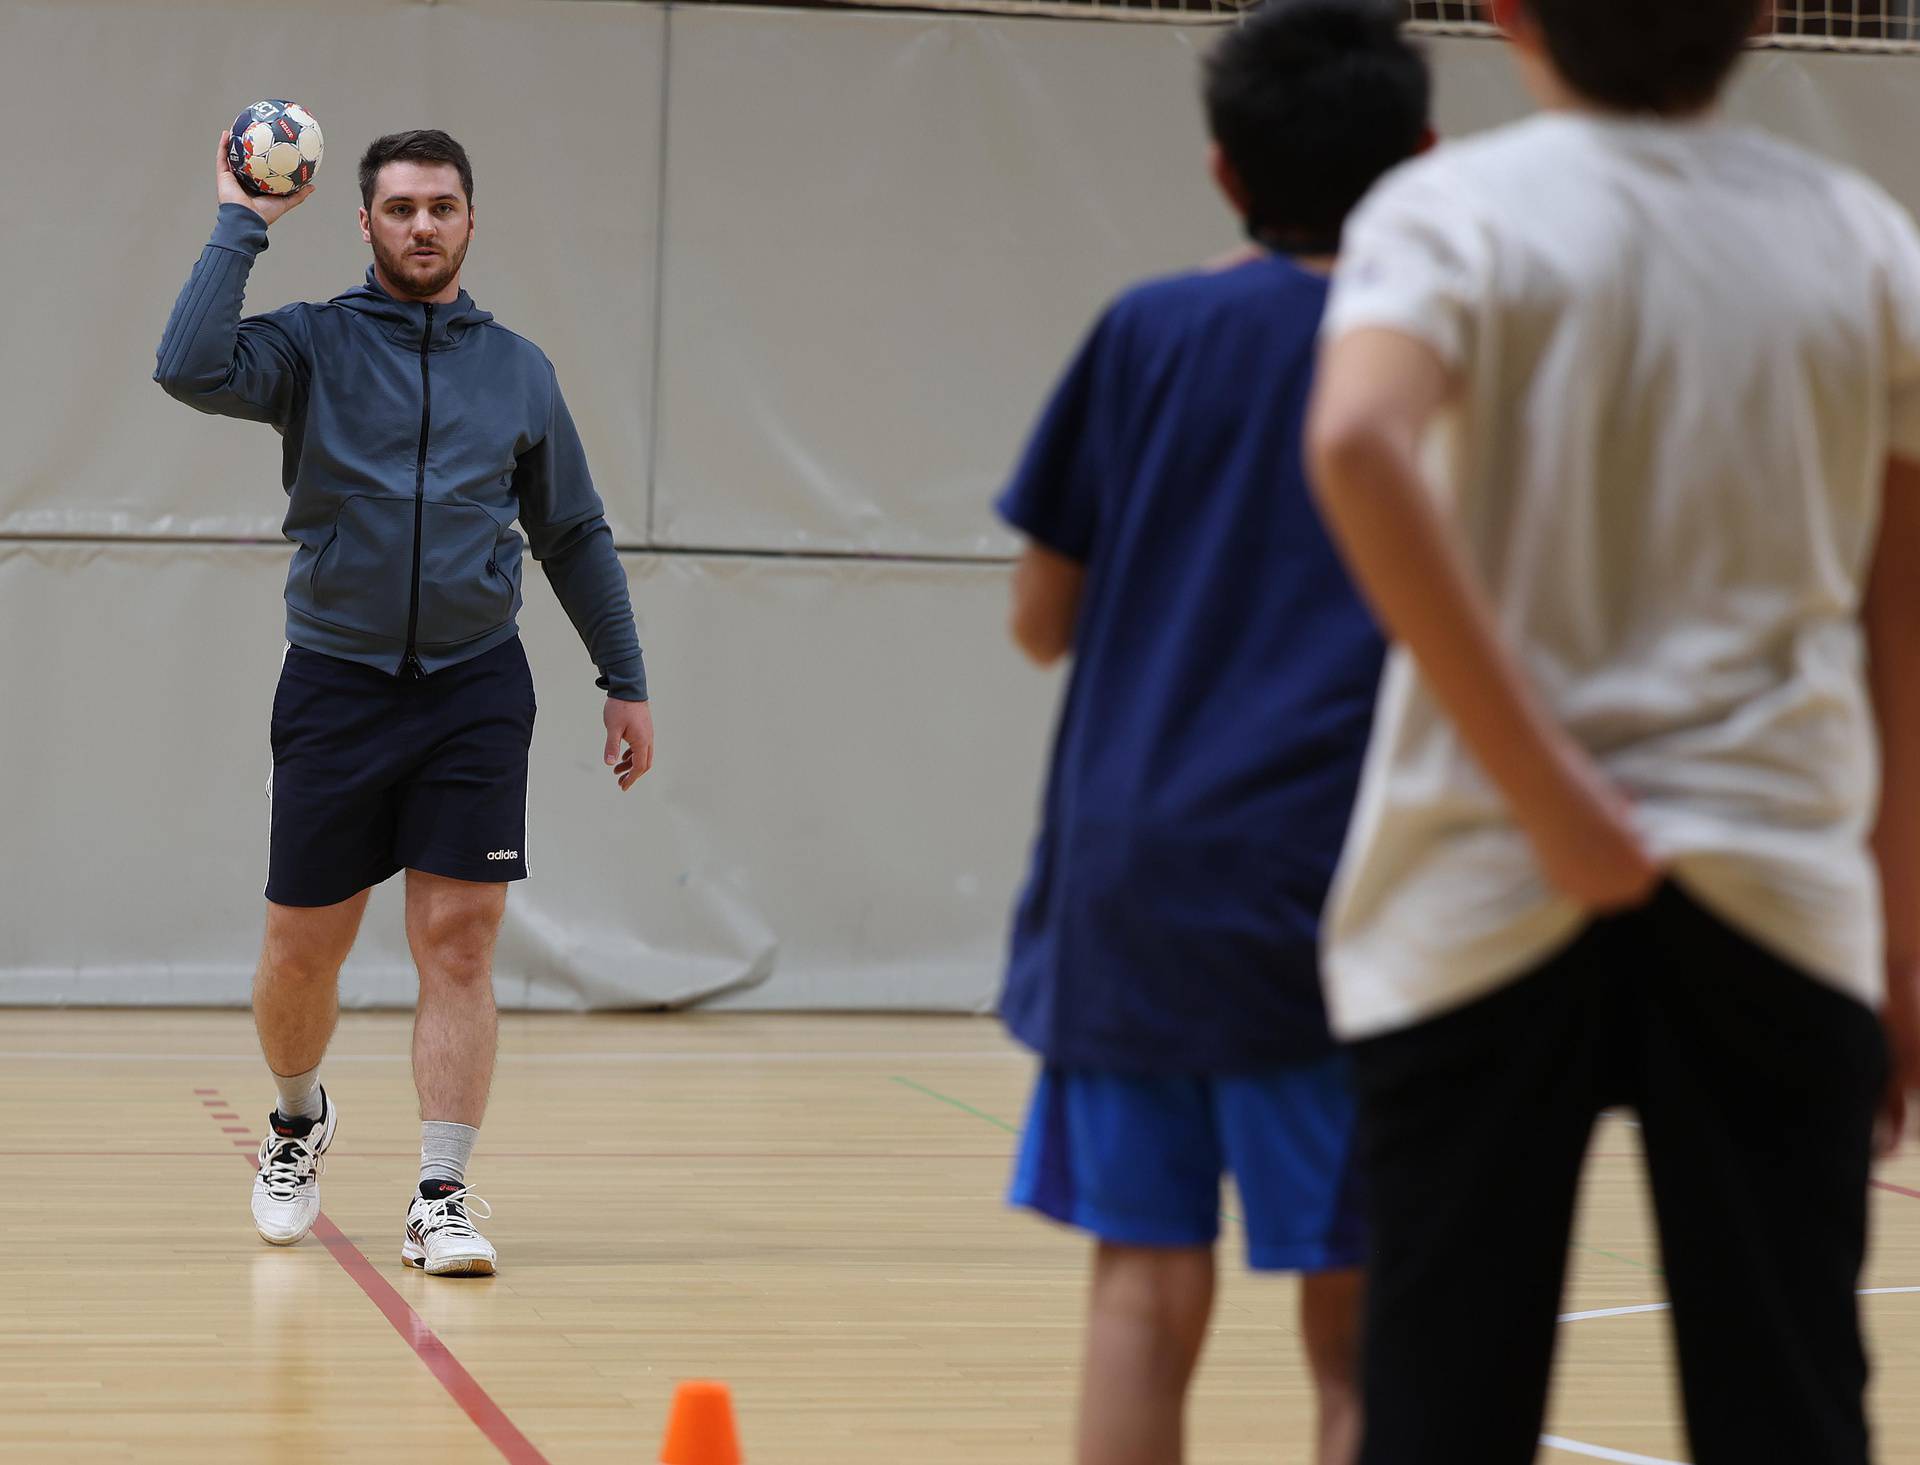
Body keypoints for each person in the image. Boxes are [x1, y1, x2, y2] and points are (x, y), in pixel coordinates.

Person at [1306, 0, 1920, 1458]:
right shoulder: (1859, 237)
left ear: (1505, 11)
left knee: (1441, 1409)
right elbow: (1905, 614)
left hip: (1479, 881)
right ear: (1769, 14)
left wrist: (1548, 787)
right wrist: (1901, 928)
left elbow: (1353, 439)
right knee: (1788, 1406)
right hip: (1777, 883)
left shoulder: (1449, 210)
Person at [994, 5, 1429, 1461]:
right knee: (1363, 1325)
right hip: (1348, 884)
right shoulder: (1436, 360)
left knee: (1141, 1288)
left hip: (1138, 885)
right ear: (1424, 159)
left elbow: (1039, 621)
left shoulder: (1147, 333)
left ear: (1222, 166)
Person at [154, 128, 655, 1276]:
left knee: (462, 943)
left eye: (441, 206)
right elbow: (186, 366)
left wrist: (623, 679)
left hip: (476, 684)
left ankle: (442, 1191)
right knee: (299, 955)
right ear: (366, 223)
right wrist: (242, 219)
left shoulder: (518, 368)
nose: (422, 225)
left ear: (470, 222)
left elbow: (571, 532)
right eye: (399, 208)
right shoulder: (313, 345)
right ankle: (295, 1121)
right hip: (335, 682)